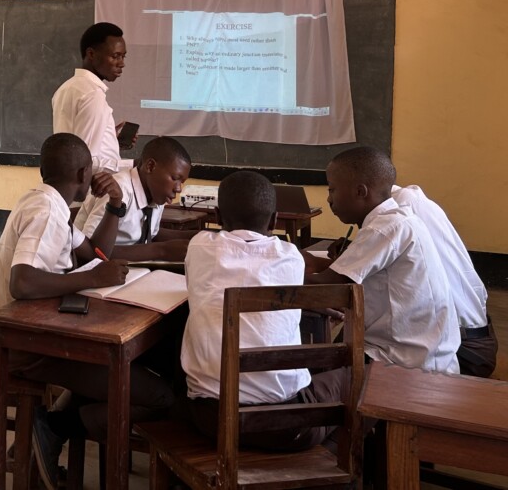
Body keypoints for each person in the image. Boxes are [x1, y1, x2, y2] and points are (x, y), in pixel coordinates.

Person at [0, 133, 173, 490]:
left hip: (42, 332)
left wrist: (116, 205)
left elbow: (96, 253)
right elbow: (22, 283)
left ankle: (44, 434)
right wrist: (90, 278)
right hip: (26, 346)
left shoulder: (52, 204)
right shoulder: (45, 211)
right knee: (158, 395)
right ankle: (51, 428)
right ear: (84, 173)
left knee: (115, 374)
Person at [182, 170, 348, 450]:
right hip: (286, 427)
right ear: (274, 220)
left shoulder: (198, 246)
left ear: (217, 216)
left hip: (212, 420)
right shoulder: (291, 256)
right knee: (365, 381)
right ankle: (327, 461)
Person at [305, 147, 460, 373]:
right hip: (414, 354)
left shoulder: (385, 228)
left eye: (332, 189)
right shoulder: (398, 220)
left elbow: (327, 286)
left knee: (306, 380)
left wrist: (271, 268)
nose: (329, 199)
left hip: (405, 364)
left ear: (360, 191)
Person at [391, 183, 497, 377]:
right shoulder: (412, 200)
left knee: (361, 339)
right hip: (478, 342)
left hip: (464, 351)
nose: (332, 202)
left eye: (335, 190)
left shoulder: (400, 208)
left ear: (361, 191)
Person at [73, 136, 194, 260]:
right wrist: (161, 250)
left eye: (181, 182)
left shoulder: (157, 194)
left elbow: (150, 234)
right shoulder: (118, 190)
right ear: (150, 166)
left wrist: (197, 236)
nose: (178, 189)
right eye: (175, 178)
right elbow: (89, 250)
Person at [51, 22, 134, 174]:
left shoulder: (66, 88)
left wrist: (109, 139)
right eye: (115, 56)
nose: (122, 64)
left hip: (69, 181)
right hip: (92, 186)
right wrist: (133, 164)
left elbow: (75, 145)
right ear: (91, 54)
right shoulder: (92, 94)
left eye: (123, 56)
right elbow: (84, 162)